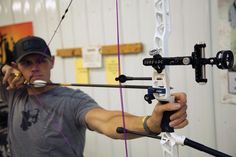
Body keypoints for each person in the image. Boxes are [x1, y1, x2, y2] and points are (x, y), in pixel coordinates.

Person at [0, 36, 188, 157]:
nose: (34, 68)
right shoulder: (13, 92)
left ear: (52, 62)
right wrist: (2, 68)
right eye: (26, 63)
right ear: (16, 67)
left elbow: (106, 120)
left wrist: (149, 124)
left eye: (41, 61)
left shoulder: (71, 100)